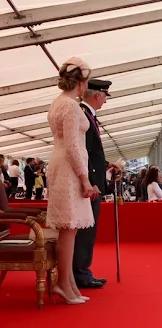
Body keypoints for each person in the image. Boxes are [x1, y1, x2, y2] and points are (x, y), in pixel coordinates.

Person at [46, 57, 96, 305]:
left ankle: (69, 283)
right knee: (69, 229)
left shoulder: (57, 103)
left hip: (61, 165)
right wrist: (85, 180)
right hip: (68, 169)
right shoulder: (71, 107)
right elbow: (74, 147)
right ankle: (63, 284)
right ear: (82, 82)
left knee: (69, 228)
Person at [74, 78, 112, 289]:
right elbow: (84, 153)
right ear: (98, 95)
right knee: (86, 229)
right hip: (90, 185)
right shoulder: (84, 115)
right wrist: (91, 181)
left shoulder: (88, 115)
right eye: (105, 97)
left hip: (92, 181)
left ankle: (82, 270)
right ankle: (80, 272)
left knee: (88, 229)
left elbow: (93, 153)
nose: (105, 101)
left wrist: (108, 164)